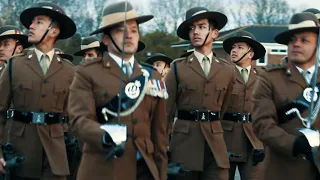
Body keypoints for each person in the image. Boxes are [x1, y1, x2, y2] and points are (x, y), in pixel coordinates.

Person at [68, 1, 167, 180]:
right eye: (121, 30)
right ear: (105, 39)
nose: (129, 36)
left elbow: (159, 133)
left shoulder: (151, 75)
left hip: (143, 170)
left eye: (134, 30)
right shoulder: (87, 72)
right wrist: (104, 135)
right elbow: (79, 120)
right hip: (103, 167)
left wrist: (161, 173)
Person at [0, 2, 76, 179]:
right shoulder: (15, 65)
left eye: (39, 22)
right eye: (32, 22)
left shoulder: (69, 71)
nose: (31, 27)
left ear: (54, 31)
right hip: (21, 154)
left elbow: (75, 117)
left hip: (55, 158)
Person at [166, 6, 235, 180]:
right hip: (184, 146)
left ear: (215, 33)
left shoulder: (228, 70)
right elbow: (164, 112)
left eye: (202, 27)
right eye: (192, 28)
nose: (195, 32)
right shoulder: (177, 67)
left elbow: (224, 107)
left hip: (215, 147)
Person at [252, 12, 320, 180]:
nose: (296, 44)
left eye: (304, 40)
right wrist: (294, 144)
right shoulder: (269, 77)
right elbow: (262, 124)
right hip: (284, 169)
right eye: (292, 40)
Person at [221, 30, 266, 180]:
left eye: (240, 47)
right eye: (233, 47)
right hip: (226, 140)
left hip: (253, 142)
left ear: (250, 53)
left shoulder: (262, 77)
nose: (234, 50)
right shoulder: (222, 74)